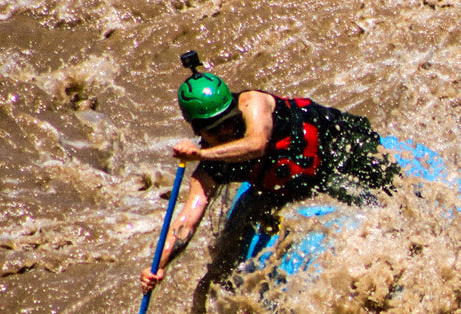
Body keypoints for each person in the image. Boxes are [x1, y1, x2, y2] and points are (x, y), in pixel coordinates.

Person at [140, 52, 399, 296]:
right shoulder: (210, 168)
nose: (226, 132)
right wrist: (158, 266)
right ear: (199, 132)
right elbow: (185, 223)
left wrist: (201, 154)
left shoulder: (253, 103)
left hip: (335, 153)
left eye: (228, 122)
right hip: (283, 185)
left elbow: (256, 144)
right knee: (222, 260)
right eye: (214, 131)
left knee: (392, 197)